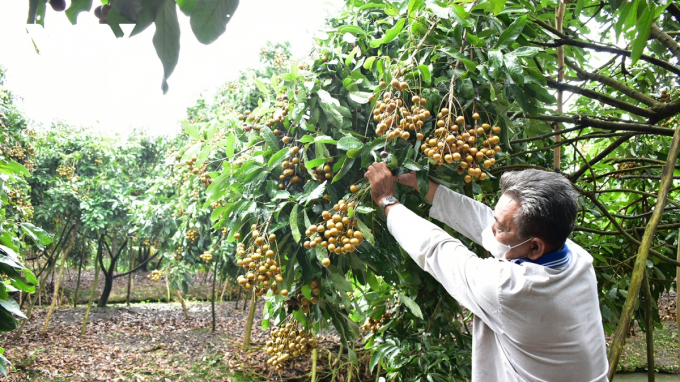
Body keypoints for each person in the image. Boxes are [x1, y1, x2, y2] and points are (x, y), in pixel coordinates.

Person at [364, 163, 608, 382]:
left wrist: (387, 201)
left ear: (535, 247)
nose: (491, 229)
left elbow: (436, 250)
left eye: (500, 228)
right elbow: (483, 219)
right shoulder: (577, 257)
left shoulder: (510, 289)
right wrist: (421, 182)